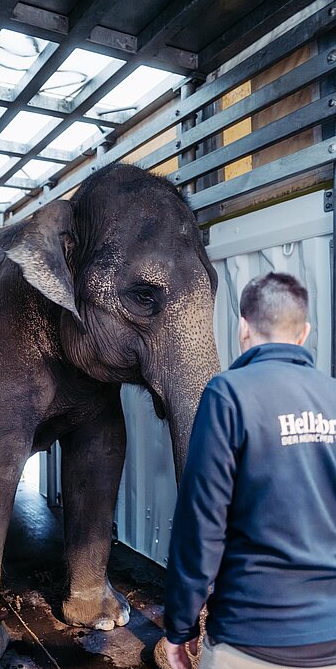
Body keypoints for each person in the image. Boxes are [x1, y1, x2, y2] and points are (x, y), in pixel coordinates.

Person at [163, 272, 336, 669]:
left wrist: (180, 626)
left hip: (249, 637)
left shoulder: (228, 395)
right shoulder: (333, 397)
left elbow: (201, 524)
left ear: (242, 326)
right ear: (304, 331)